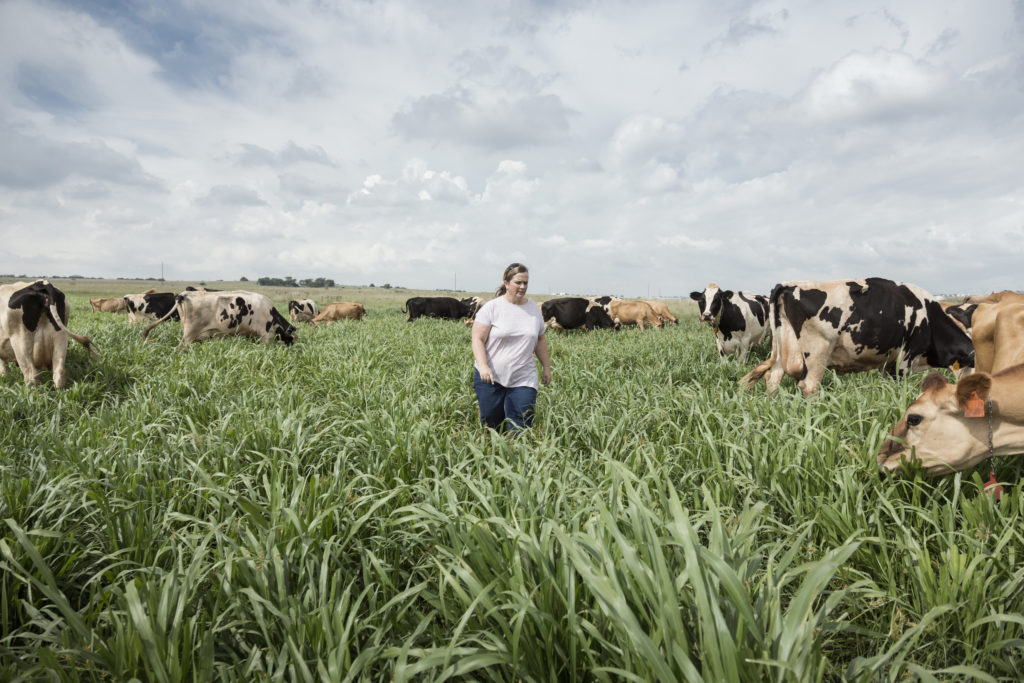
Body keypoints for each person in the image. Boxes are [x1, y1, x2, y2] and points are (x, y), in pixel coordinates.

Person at [471, 263, 552, 433]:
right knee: (492, 426)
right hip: (491, 378)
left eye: (526, 283)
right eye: (518, 282)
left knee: (522, 426)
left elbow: (540, 339)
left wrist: (546, 367)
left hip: (524, 377)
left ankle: (518, 457)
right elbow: (477, 339)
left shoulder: (533, 310)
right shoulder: (492, 308)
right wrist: (483, 366)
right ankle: (492, 456)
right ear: (506, 283)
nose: (522, 287)